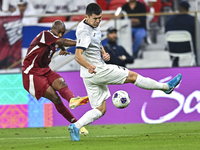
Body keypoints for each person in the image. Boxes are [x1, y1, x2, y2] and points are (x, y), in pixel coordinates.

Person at [67, 3, 182, 141]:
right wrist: (89, 66)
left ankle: (76, 126)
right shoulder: (84, 32)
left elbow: (95, 41)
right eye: (95, 19)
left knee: (100, 109)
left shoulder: (91, 25)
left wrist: (103, 52)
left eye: (100, 18)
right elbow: (78, 55)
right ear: (87, 17)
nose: (98, 21)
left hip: (89, 75)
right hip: (97, 71)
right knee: (133, 76)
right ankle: (166, 87)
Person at [21, 20, 89, 135]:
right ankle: (76, 124)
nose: (60, 34)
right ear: (53, 29)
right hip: (31, 74)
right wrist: (80, 42)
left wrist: (62, 49)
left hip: (45, 69)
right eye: (59, 32)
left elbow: (59, 42)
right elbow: (61, 40)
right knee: (55, 98)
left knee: (61, 82)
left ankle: (72, 100)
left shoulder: (55, 40)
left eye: (63, 32)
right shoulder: (45, 35)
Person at [165, 0, 196, 67]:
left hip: (172, 48)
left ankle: (175, 62)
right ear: (188, 9)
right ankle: (197, 62)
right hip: (189, 47)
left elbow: (166, 32)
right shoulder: (193, 20)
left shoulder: (170, 20)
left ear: (179, 8)